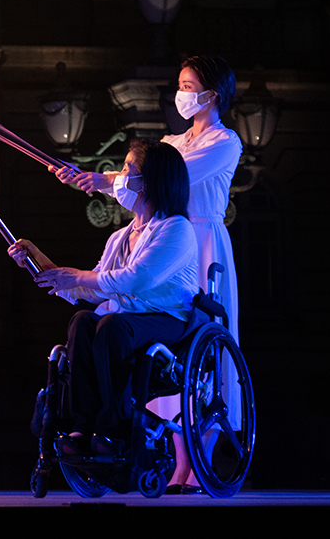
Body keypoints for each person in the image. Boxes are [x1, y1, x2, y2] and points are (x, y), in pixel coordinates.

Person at [49, 56, 241, 489]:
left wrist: (104, 179)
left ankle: (198, 460)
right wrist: (94, 180)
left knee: (200, 358)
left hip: (197, 239)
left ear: (213, 93)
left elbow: (169, 179)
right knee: (109, 328)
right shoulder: (172, 140)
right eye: (181, 84)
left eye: (191, 85)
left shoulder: (225, 141)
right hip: (156, 231)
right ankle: (161, 456)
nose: (183, 93)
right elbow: (145, 178)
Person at [9, 140, 198, 454]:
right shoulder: (120, 236)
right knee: (84, 319)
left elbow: (135, 280)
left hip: (169, 319)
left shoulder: (176, 228)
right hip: (126, 321)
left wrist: (78, 276)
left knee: (110, 325)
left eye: (127, 169)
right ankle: (81, 426)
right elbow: (91, 290)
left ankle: (113, 429)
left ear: (150, 181)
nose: (120, 178)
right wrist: (38, 260)